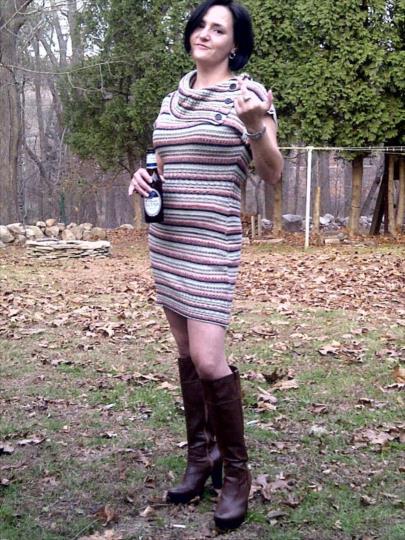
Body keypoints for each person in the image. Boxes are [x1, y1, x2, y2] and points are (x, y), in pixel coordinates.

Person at [129, 0, 283, 530]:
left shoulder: (249, 96)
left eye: (219, 29)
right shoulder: (172, 99)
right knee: (186, 355)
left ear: (235, 44)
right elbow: (165, 161)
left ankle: (236, 474)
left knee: (209, 359)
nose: (205, 33)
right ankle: (202, 457)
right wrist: (144, 177)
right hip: (168, 239)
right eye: (200, 25)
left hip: (213, 242)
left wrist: (255, 125)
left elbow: (272, 173)